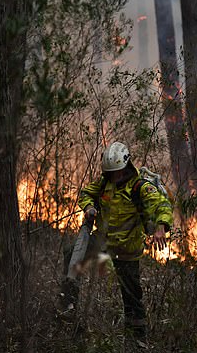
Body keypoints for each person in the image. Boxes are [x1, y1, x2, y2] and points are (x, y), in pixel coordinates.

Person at [73, 141, 173, 340]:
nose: (115, 177)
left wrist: (161, 225)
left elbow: (162, 204)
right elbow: (85, 194)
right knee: (72, 256)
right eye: (111, 173)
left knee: (132, 298)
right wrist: (89, 208)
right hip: (103, 243)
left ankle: (137, 341)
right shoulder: (104, 183)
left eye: (117, 172)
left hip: (127, 252)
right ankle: (68, 308)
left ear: (126, 167)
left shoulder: (140, 187)